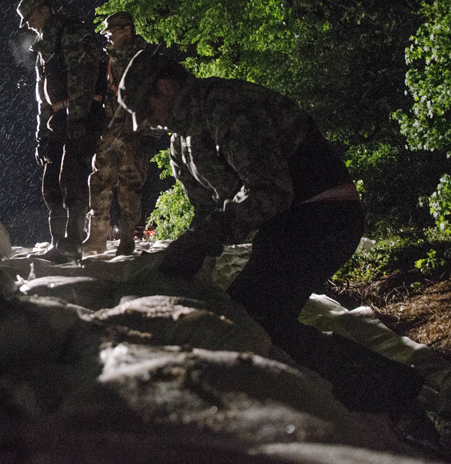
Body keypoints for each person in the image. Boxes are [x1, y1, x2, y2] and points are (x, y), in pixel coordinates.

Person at [117, 52, 425, 413]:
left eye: (144, 106)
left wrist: (210, 235)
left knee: (255, 317)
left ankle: (396, 402)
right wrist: (190, 255)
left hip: (326, 212)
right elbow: (206, 213)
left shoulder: (226, 105)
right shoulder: (180, 145)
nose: (142, 123)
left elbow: (271, 190)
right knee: (247, 315)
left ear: (166, 86)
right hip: (286, 226)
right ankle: (378, 391)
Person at [16, 0, 104, 262]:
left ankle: (73, 243)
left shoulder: (71, 33)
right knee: (51, 182)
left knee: (73, 179)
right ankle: (58, 242)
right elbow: (43, 94)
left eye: (31, 16)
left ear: (45, 9)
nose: (29, 24)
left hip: (80, 116)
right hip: (57, 120)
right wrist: (41, 134)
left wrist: (79, 117)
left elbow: (83, 76)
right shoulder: (43, 46)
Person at [84, 12, 164, 256]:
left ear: (127, 30)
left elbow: (153, 99)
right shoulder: (107, 59)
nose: (108, 37)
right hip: (108, 132)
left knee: (131, 185)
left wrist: (148, 134)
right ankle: (96, 236)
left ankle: (127, 239)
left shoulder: (145, 59)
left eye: (112, 32)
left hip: (134, 133)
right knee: (99, 181)